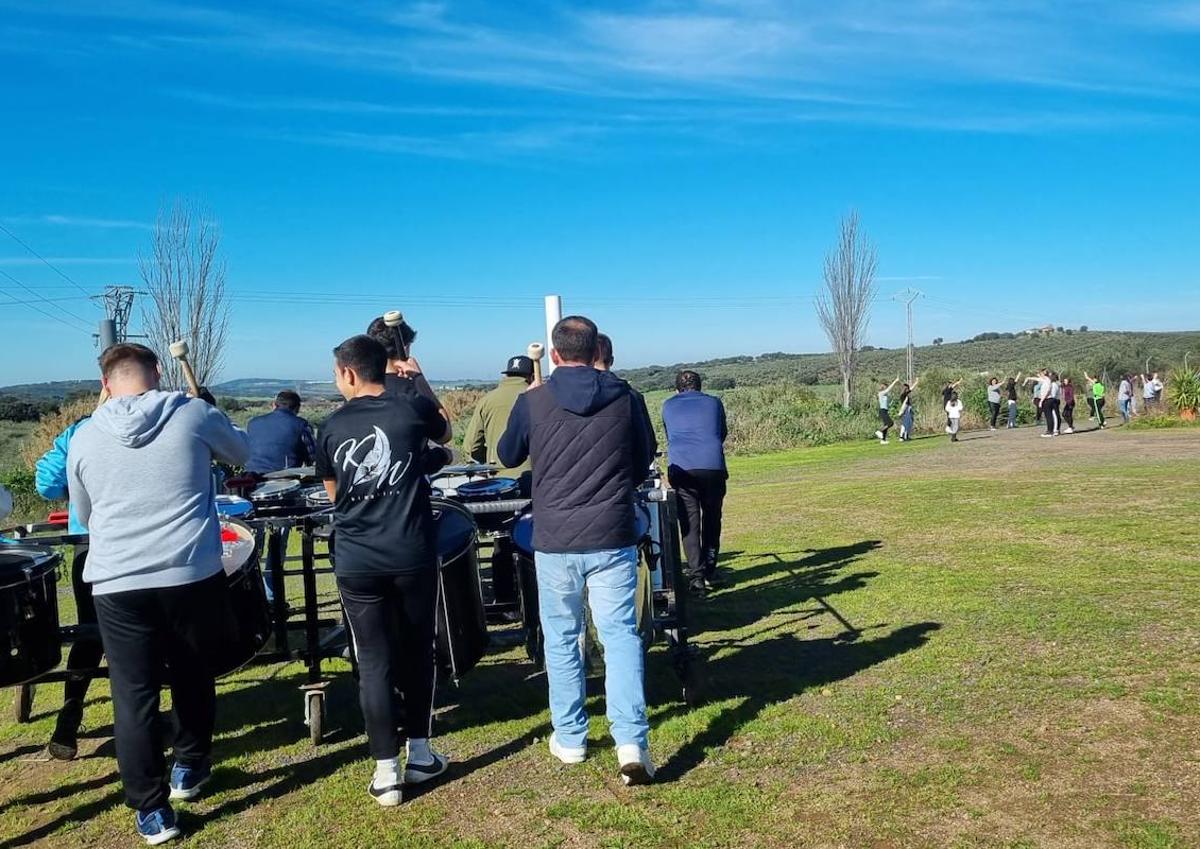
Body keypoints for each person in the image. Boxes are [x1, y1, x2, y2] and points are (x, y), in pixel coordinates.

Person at [65, 343, 249, 845]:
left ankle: (151, 810)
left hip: (118, 581)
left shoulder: (83, 435)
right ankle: (190, 765)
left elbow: (83, 510)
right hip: (189, 571)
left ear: (105, 382)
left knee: (134, 694)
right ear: (159, 373)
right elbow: (242, 453)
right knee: (193, 674)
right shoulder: (192, 412)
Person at [498, 315, 658, 785]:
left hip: (555, 538)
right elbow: (643, 458)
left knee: (563, 637)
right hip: (612, 532)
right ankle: (631, 739)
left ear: (553, 353)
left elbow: (508, 456)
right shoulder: (628, 398)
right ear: (596, 350)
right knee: (621, 636)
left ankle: (570, 737)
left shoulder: (535, 401)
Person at [315, 335, 453, 807]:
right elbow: (446, 435)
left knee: (373, 662)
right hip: (410, 551)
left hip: (357, 558)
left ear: (349, 374)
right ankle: (419, 751)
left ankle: (385, 772)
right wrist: (418, 379)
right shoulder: (408, 410)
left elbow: (334, 493)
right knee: (418, 652)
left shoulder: (331, 426)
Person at [36, 414, 103, 760]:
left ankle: (71, 709)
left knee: (91, 632)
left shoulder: (81, 429)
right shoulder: (155, 416)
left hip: (89, 541)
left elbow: (47, 483)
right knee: (140, 630)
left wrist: (74, 486)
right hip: (137, 543)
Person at [463, 354, 534, 606]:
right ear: (530, 375)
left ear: (506, 374)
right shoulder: (537, 397)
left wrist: (490, 464)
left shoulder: (487, 400)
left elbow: (471, 446)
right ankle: (535, 598)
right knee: (534, 538)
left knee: (502, 538)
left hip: (501, 484)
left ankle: (505, 599)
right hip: (535, 480)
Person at [662, 370, 728, 596]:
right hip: (712, 466)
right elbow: (722, 432)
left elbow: (670, 434)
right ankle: (710, 567)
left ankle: (696, 575)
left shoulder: (668, 406)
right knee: (712, 518)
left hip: (682, 468)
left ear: (677, 388)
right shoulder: (714, 403)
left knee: (689, 523)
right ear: (700, 386)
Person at [244, 391, 316, 475]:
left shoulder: (253, 423)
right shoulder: (301, 425)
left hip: (251, 475)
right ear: (297, 408)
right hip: (284, 477)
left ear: (274, 405)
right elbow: (313, 457)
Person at [875, 377, 899, 444]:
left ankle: (883, 440)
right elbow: (888, 389)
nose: (886, 387)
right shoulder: (881, 393)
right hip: (882, 410)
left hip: (885, 410)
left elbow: (888, 400)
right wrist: (895, 381)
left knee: (886, 425)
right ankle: (879, 431)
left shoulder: (885, 395)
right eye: (885, 386)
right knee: (890, 423)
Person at [1041, 371, 1061, 438]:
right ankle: (1053, 430)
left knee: (1054, 416)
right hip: (1053, 400)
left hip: (1052, 400)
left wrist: (1043, 400)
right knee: (1053, 416)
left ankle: (1053, 430)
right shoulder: (1052, 383)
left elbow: (1053, 394)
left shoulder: (1054, 384)